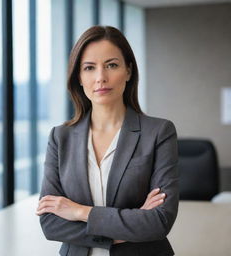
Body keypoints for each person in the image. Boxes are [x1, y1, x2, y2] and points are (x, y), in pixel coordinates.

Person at [36, 25, 179, 256]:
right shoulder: (60, 137)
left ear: (129, 71)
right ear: (79, 78)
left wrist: (80, 212)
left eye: (111, 65)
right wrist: (130, 225)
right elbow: (51, 224)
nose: (101, 77)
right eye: (89, 68)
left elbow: (159, 221)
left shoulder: (159, 132)